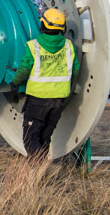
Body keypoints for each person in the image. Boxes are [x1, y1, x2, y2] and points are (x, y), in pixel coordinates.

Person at [12, 8, 80, 159]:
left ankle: (37, 170)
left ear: (43, 24)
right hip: (58, 100)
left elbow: (24, 69)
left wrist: (15, 82)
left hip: (38, 100)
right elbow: (75, 70)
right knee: (44, 137)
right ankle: (41, 170)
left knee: (30, 138)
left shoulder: (33, 46)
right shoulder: (69, 46)